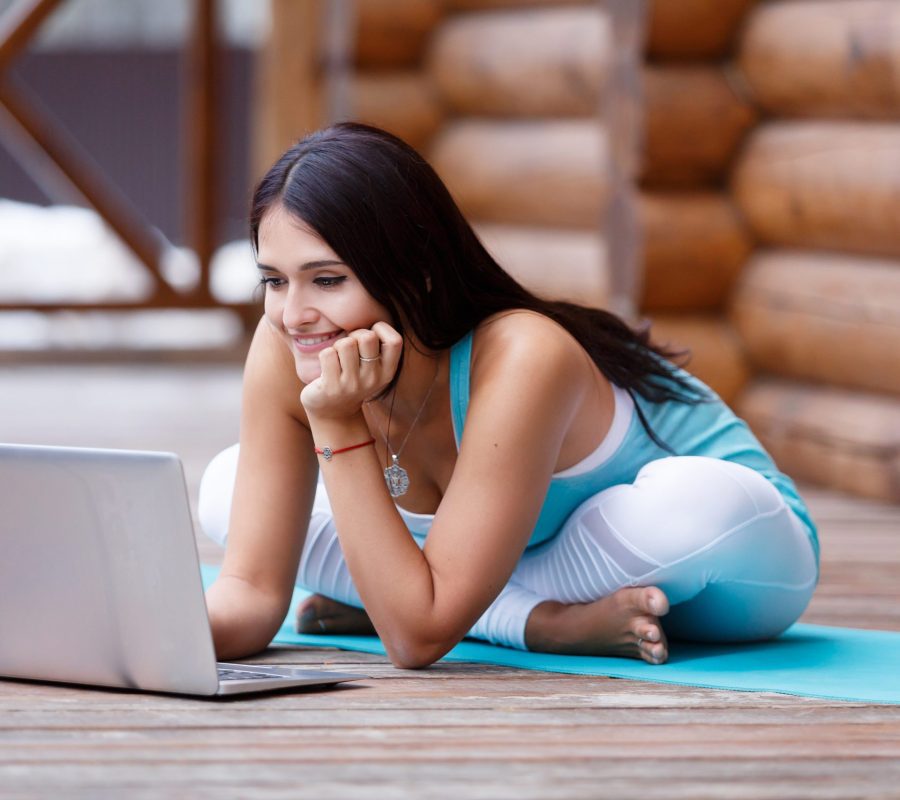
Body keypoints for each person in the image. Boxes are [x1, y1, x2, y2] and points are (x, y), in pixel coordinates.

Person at [200, 122, 818, 669]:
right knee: (226, 486)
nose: (294, 314)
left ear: (416, 271)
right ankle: (530, 618)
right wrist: (149, 637)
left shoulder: (524, 354)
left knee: (688, 504)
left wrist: (337, 426)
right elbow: (251, 594)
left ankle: (445, 604)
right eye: (274, 280)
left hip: (721, 562)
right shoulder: (287, 343)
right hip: (499, 572)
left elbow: (416, 639)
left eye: (328, 280)